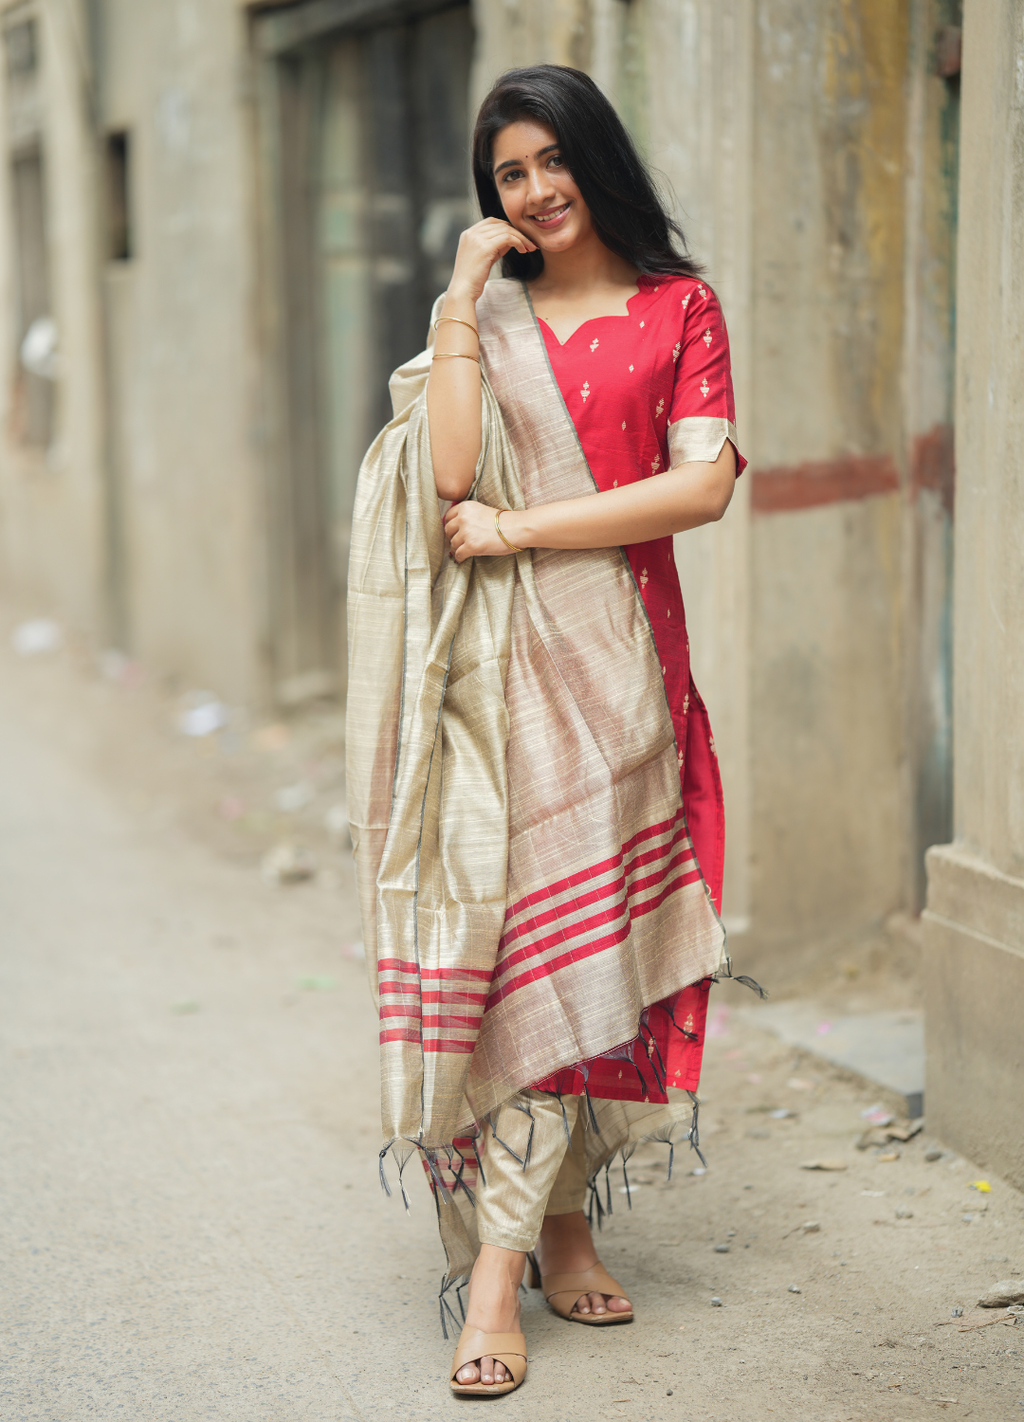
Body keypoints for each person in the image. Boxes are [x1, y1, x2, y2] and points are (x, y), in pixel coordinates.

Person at [346, 64, 746, 1398]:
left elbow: (696, 489)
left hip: (624, 670)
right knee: (521, 953)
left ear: (596, 158)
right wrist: (460, 298)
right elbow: (450, 470)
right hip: (491, 687)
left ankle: (558, 1224)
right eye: (510, 172)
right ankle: (509, 1270)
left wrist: (519, 531)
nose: (535, 189)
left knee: (588, 955)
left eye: (552, 159)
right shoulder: (492, 316)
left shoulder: (679, 307)